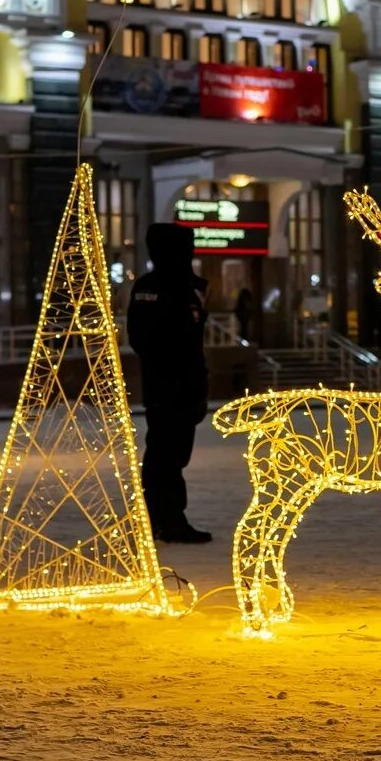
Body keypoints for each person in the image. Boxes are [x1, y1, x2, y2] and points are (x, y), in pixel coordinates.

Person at [127, 224, 212, 544]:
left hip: (179, 385)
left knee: (170, 455)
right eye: (186, 249)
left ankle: (159, 518)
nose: (191, 254)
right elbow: (149, 340)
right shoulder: (163, 287)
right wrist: (179, 378)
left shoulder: (180, 286)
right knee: (166, 455)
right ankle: (165, 519)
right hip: (170, 387)